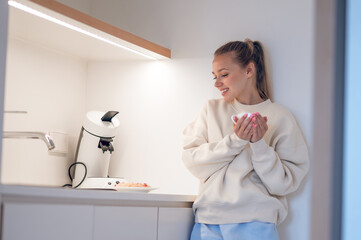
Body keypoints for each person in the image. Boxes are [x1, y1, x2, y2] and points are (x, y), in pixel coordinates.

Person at [182, 39, 309, 240]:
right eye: (214, 77)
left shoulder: (280, 117)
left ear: (249, 71)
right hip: (207, 220)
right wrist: (235, 141)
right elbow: (193, 161)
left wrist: (259, 145)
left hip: (256, 222)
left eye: (224, 75)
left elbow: (284, 183)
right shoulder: (210, 110)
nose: (217, 83)